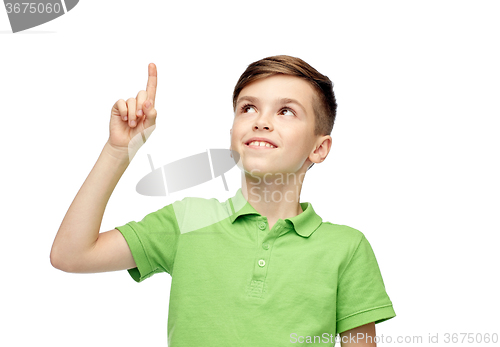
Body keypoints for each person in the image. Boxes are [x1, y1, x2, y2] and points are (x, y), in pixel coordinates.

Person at [50, 56, 396, 346]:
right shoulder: (187, 220)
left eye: (286, 112)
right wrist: (118, 149)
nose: (261, 122)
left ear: (319, 148)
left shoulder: (347, 248)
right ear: (232, 134)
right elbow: (71, 254)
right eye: (248, 108)